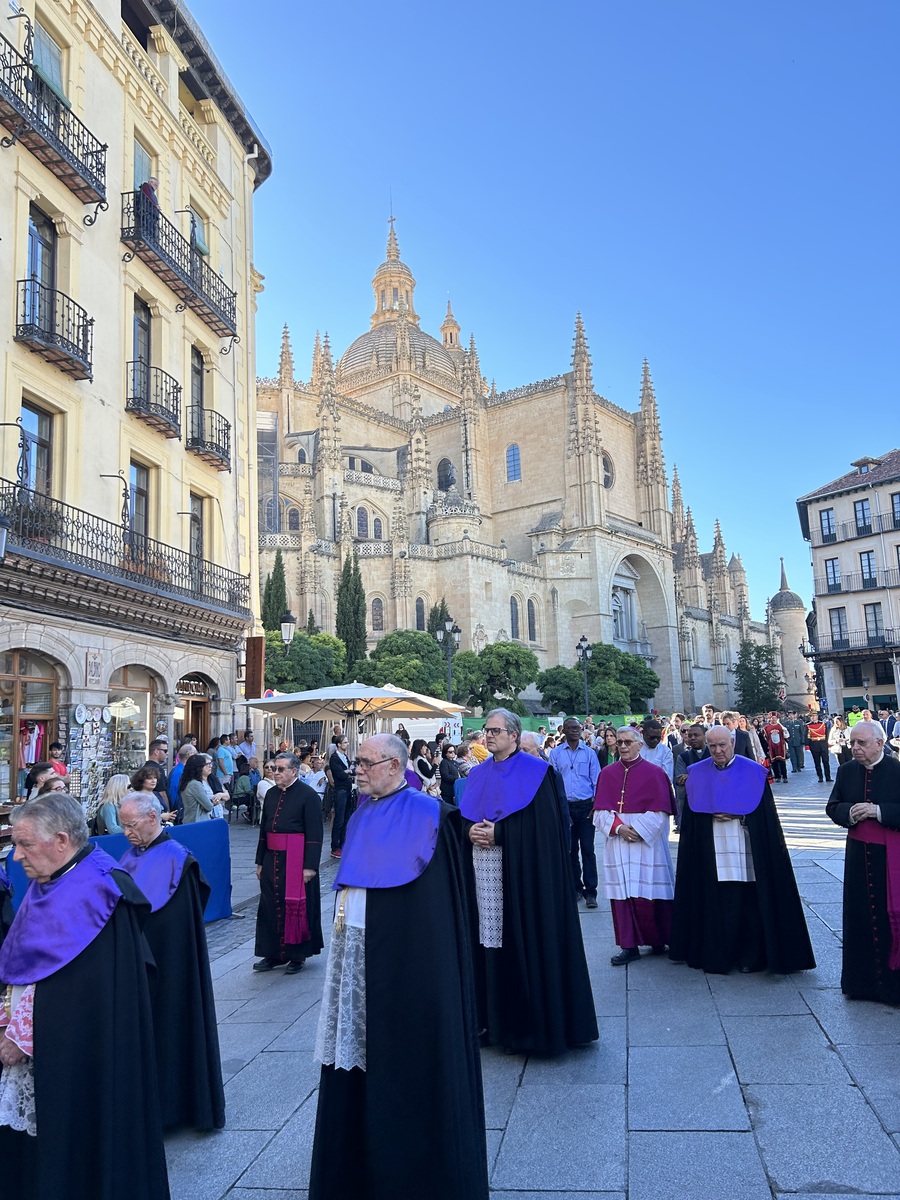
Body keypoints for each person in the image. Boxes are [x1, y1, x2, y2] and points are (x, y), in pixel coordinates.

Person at [309, 734, 488, 1200]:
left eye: (366, 763)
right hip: (359, 951)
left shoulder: (434, 817)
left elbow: (440, 908)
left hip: (412, 961)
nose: (357, 771)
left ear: (394, 765)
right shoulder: (364, 808)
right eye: (357, 762)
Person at [0, 793, 170, 1199]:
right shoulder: (51, 876)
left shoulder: (99, 889)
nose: (16, 855)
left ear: (61, 840)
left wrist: (23, 1035)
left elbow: (82, 993)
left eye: (24, 844)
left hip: (81, 1056)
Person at [462, 708, 597, 1055]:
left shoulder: (539, 773)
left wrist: (502, 832)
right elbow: (462, 819)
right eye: (486, 731)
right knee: (488, 943)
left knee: (522, 939)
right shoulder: (477, 775)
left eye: (495, 730)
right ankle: (493, 1021)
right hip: (484, 872)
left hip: (525, 875)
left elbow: (548, 830)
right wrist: (470, 831)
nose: (488, 735)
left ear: (513, 734)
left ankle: (529, 1026)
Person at [117, 792, 225, 1131]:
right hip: (140, 960)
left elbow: (182, 927)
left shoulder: (178, 860)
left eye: (131, 826)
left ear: (153, 818)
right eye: (122, 827)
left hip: (172, 965)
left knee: (174, 1025)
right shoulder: (129, 856)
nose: (126, 834)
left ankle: (176, 1110)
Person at [669, 726, 815, 975]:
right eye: (712, 746)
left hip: (746, 847)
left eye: (722, 745)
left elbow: (765, 819)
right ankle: (719, 955)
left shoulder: (753, 772)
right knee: (719, 902)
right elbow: (693, 822)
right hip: (713, 850)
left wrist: (741, 814)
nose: (717, 751)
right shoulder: (697, 774)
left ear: (733, 742)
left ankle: (752, 956)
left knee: (750, 902)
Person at [826, 721, 900, 1003]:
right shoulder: (846, 771)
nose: (855, 748)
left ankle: (893, 985)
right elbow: (832, 806)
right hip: (858, 858)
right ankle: (863, 984)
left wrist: (878, 811)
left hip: (891, 859)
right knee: (861, 916)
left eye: (861, 743)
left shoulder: (897, 770)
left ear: (880, 744)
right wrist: (849, 813)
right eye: (852, 743)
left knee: (889, 917)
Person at [593, 726, 676, 964]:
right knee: (622, 892)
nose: (623, 746)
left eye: (628, 742)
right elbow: (599, 811)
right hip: (618, 840)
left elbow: (661, 811)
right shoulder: (607, 774)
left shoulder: (655, 773)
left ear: (639, 745)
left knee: (651, 889)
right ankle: (629, 946)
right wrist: (619, 828)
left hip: (647, 842)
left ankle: (659, 940)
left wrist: (639, 830)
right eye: (619, 742)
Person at [254, 752, 324, 975]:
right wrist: (259, 861)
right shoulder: (272, 794)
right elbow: (264, 829)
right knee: (270, 905)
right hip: (272, 857)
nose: (275, 773)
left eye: (280, 769)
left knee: (296, 908)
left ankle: (297, 955)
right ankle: (273, 953)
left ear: (294, 771)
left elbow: (315, 834)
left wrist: (310, 866)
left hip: (296, 858)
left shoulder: (308, 795)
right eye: (274, 768)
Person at [549, 718, 601, 909]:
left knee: (588, 849)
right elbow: (552, 783)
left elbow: (597, 781)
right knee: (570, 851)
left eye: (577, 728)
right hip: (566, 807)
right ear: (564, 730)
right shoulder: (555, 753)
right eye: (570, 728)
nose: (575, 731)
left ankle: (591, 891)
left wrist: (596, 806)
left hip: (586, 807)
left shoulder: (589, 753)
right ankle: (575, 888)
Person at [673, 723, 708, 828]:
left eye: (696, 735)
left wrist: (691, 776)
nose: (692, 738)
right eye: (690, 735)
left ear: (704, 736)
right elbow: (680, 779)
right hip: (690, 803)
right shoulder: (683, 757)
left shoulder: (713, 754)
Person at [179, 753, 228, 823]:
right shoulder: (195, 784)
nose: (210, 766)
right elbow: (208, 806)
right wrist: (214, 802)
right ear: (198, 768)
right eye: (206, 765)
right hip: (197, 822)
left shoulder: (187, 782)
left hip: (191, 820)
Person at [328, 735, 353, 859]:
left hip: (347, 789)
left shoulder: (345, 757)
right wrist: (347, 772)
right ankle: (335, 846)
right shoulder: (334, 758)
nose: (347, 744)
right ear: (339, 744)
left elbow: (349, 772)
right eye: (345, 742)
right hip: (340, 790)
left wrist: (348, 772)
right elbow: (340, 774)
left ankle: (343, 844)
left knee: (346, 818)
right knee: (339, 819)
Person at [761, 712, 789, 781]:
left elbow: (786, 736)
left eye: (775, 718)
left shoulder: (780, 727)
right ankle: (777, 776)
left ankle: (784, 776)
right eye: (772, 718)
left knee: (782, 762)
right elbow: (763, 738)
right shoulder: (766, 728)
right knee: (774, 762)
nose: (773, 719)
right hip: (771, 747)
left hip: (780, 747)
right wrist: (766, 747)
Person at [806, 712, 832, 782]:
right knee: (817, 763)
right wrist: (807, 746)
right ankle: (820, 777)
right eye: (811, 716)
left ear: (817, 716)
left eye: (814, 716)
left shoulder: (823, 724)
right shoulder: (808, 725)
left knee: (826, 762)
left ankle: (828, 777)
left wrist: (828, 744)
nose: (813, 717)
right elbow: (807, 737)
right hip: (814, 745)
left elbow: (827, 734)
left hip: (823, 745)